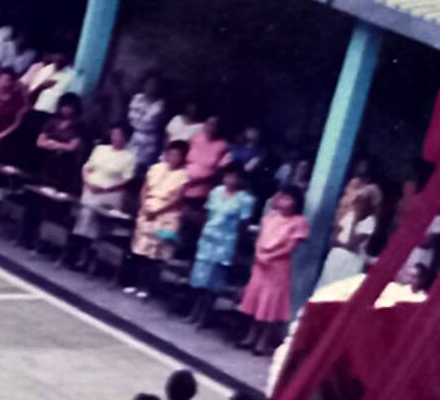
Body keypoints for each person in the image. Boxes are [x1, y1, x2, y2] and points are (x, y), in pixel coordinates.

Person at [238, 188, 308, 354]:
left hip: (277, 267)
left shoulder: (298, 221)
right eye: (282, 197)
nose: (283, 200)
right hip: (261, 264)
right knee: (257, 301)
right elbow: (260, 238)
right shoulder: (270, 217)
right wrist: (259, 254)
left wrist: (270, 257)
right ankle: (250, 336)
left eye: (288, 197)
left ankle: (263, 341)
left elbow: (290, 247)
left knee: (270, 304)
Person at [186, 167, 256, 325]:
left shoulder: (245, 199)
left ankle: (204, 316)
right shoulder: (216, 192)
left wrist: (237, 247)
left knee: (213, 282)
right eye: (228, 175)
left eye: (233, 176)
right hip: (208, 239)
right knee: (199, 278)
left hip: (226, 242)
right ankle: (193, 312)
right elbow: (207, 214)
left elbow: (243, 225)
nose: (229, 179)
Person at [123, 142, 190, 296]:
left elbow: (177, 199)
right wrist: (144, 206)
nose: (173, 158)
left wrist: (158, 211)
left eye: (177, 155)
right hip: (147, 209)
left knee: (155, 254)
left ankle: (146, 287)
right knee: (138, 249)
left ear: (182, 158)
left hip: (166, 215)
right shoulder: (155, 168)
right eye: (171, 154)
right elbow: (145, 188)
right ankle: (131, 282)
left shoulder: (184, 176)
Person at [68, 124, 136, 265]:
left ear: (126, 138)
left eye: (118, 135)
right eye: (114, 134)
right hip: (90, 189)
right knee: (83, 217)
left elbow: (126, 179)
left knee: (93, 221)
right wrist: (87, 183)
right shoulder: (100, 149)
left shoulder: (129, 157)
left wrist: (105, 189)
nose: (115, 137)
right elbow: (87, 168)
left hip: (109, 194)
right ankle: (74, 252)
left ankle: (86, 257)